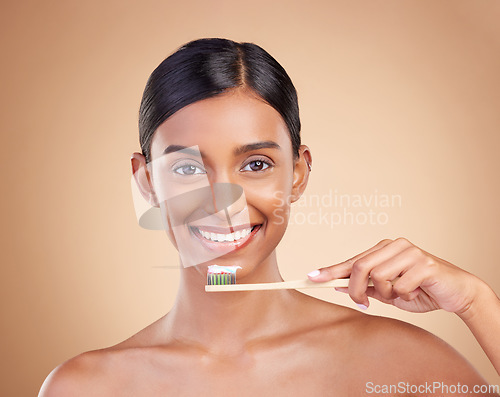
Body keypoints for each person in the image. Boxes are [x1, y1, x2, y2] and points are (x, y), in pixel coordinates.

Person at [39, 37, 500, 396]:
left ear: (297, 174)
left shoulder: (404, 365)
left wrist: (477, 303)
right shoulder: (84, 387)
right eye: (186, 168)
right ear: (146, 182)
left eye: (255, 164)